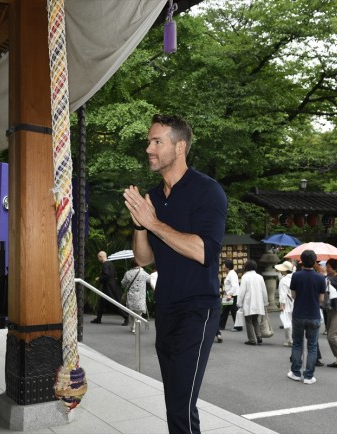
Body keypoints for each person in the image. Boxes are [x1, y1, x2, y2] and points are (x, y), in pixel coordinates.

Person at [124, 114, 227, 434]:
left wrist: (153, 223)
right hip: (166, 307)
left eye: (157, 142)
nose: (149, 149)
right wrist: (140, 224)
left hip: (198, 309)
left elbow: (204, 251)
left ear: (179, 147)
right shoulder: (152, 198)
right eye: (149, 141)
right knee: (174, 401)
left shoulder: (207, 191)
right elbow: (142, 259)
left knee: (181, 403)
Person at [288, 250, 326, 385]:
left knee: (297, 343)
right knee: (312, 346)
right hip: (314, 314)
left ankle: (296, 372)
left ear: (301, 261)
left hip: (299, 313)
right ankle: (309, 376)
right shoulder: (321, 278)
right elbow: (321, 299)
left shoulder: (296, 276)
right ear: (315, 261)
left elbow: (293, 295)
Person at [91, 251, 129, 325]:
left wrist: (99, 278)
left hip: (108, 287)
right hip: (112, 285)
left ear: (101, 257)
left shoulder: (105, 264)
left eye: (98, 257)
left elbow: (106, 275)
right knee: (101, 302)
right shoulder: (111, 264)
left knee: (114, 302)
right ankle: (98, 318)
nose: (98, 259)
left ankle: (126, 317)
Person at [238, 260, 268, 346]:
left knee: (248, 320)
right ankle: (259, 336)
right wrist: (265, 302)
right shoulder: (260, 277)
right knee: (255, 319)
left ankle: (251, 339)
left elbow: (242, 291)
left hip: (249, 301)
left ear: (246, 267)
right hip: (258, 302)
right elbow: (264, 291)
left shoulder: (245, 277)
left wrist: (239, 303)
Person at [121, 260, 150, 333]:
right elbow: (150, 280)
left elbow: (123, 283)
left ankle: (132, 327)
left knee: (131, 313)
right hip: (140, 297)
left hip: (131, 297)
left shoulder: (128, 273)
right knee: (138, 314)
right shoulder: (143, 273)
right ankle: (135, 327)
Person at [275, 260, 294, 346]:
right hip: (296, 302)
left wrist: (282, 305)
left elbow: (282, 294)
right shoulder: (295, 277)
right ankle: (295, 339)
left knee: (287, 322)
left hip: (287, 302)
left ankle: (290, 340)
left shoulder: (284, 280)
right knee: (294, 322)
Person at [219, 259, 240, 333]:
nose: (223, 267)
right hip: (230, 295)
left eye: (224, 266)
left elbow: (234, 286)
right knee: (225, 310)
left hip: (232, 295)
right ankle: (221, 325)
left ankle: (238, 326)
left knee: (234, 311)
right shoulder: (231, 273)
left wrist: (230, 294)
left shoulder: (232, 274)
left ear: (227, 267)